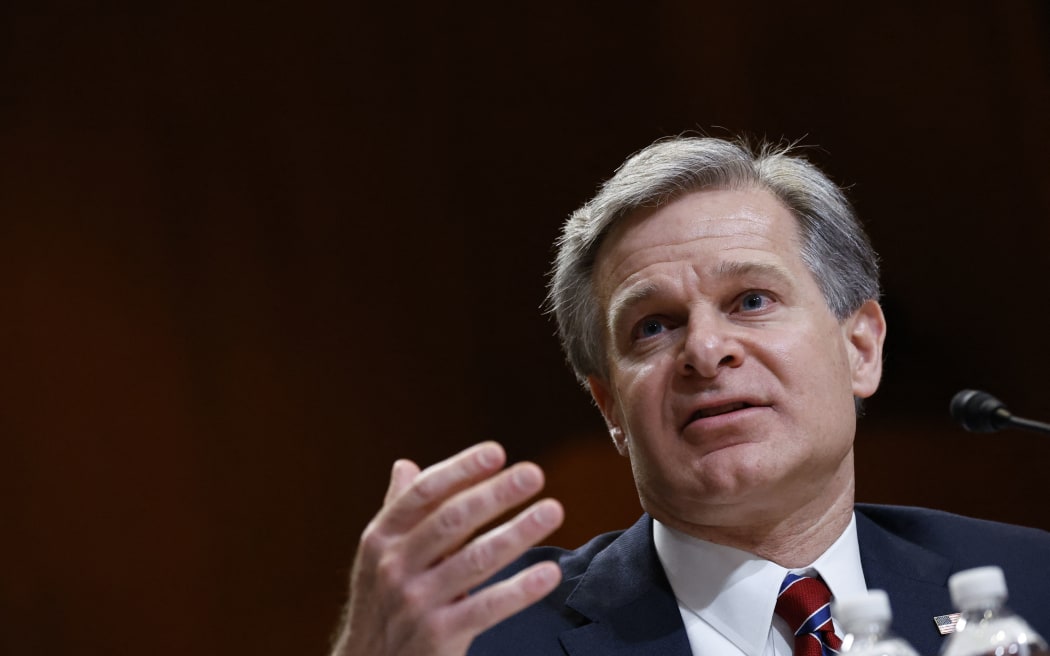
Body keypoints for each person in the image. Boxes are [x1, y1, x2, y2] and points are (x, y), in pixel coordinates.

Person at [329, 136, 1050, 656]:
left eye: (752, 300)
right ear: (611, 408)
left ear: (860, 348)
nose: (706, 351)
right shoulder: (478, 636)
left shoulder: (1034, 586)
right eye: (653, 326)